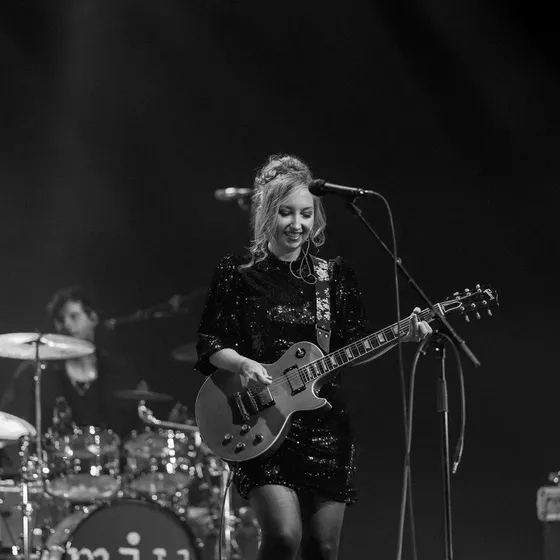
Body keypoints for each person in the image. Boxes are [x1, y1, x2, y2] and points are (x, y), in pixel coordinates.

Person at [194, 154, 433, 560]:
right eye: (286, 212)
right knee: (283, 537)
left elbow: (354, 346)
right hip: (260, 421)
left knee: (322, 547)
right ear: (267, 213)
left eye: (306, 214)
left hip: (325, 429)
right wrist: (244, 364)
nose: (297, 224)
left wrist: (401, 337)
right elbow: (211, 343)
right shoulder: (237, 273)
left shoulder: (332, 275)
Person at [0, 286, 141, 445]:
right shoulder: (38, 372)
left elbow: (135, 430)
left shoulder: (119, 371)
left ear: (93, 318)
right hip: (56, 457)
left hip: (112, 457)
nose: (67, 324)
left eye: (74, 316)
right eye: (60, 319)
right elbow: (6, 419)